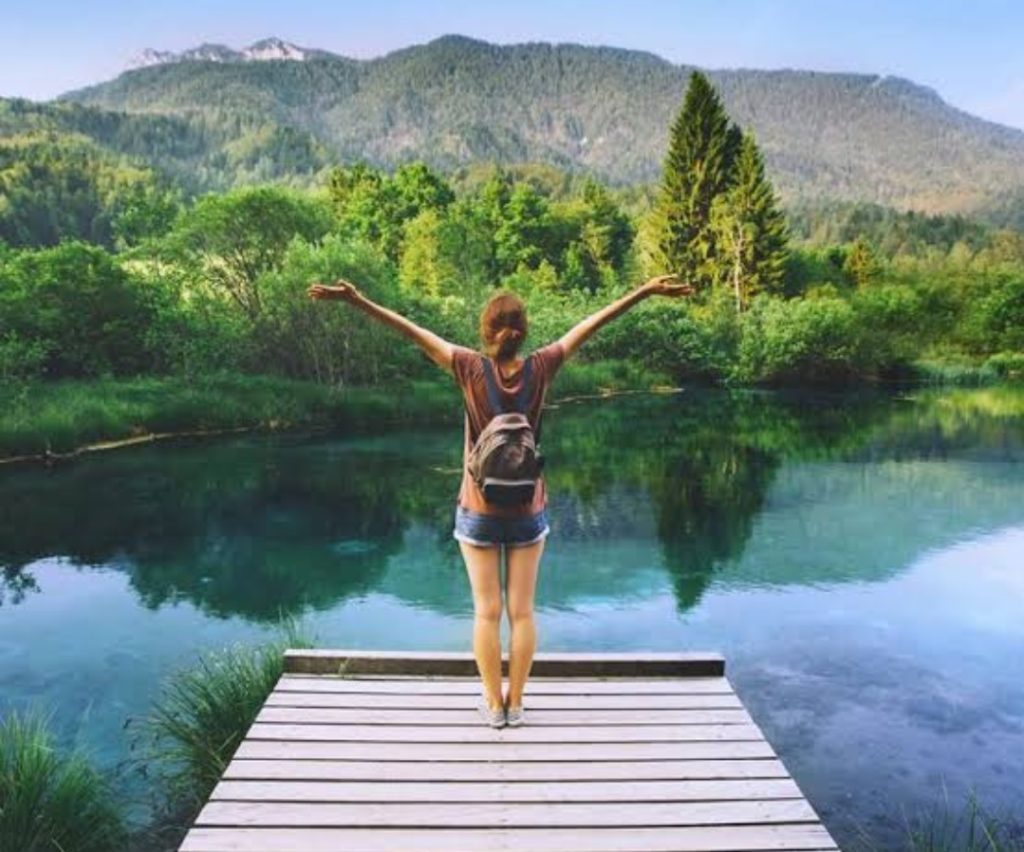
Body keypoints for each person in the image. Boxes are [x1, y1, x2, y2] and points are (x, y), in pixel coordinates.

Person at [307, 273, 693, 726]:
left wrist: (357, 301)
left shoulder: (468, 367)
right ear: (523, 332)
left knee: (486, 613)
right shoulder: (542, 366)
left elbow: (410, 330)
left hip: (478, 509)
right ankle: (517, 703)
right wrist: (644, 291)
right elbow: (592, 324)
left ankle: (494, 707)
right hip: (528, 508)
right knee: (522, 613)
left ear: (485, 331)